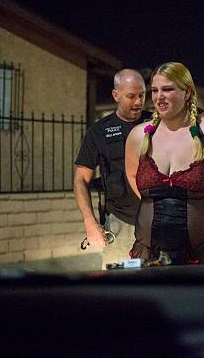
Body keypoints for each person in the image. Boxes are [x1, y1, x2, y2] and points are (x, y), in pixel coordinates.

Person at [125, 62, 204, 265]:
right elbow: (131, 175)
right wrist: (154, 203)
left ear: (187, 92)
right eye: (154, 90)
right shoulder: (139, 135)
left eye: (168, 89)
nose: (159, 97)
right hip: (149, 252)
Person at [74, 69, 152, 268]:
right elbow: (81, 180)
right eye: (131, 96)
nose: (137, 102)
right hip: (121, 225)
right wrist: (90, 223)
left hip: (160, 222)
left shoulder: (157, 124)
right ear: (116, 95)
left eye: (142, 95)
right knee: (120, 290)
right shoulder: (98, 131)